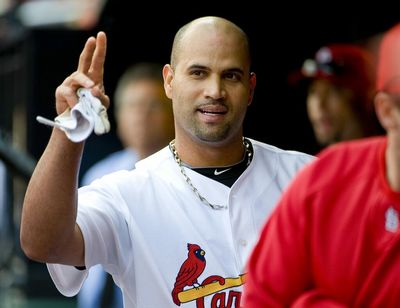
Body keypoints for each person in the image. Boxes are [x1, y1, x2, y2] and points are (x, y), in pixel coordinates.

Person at [20, 16, 314, 307]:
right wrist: (68, 133)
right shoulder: (127, 192)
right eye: (198, 73)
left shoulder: (308, 178)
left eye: (231, 75)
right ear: (169, 81)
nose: (215, 90)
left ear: (250, 88)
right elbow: (43, 243)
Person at [242, 23, 400, 307]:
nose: (319, 105)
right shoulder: (318, 177)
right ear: (386, 109)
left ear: (364, 97)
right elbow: (263, 296)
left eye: (334, 92)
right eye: (314, 92)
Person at [77, 62, 174, 308]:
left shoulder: (185, 177)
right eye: (132, 106)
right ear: (118, 117)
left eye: (152, 106)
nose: (141, 115)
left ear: (174, 114)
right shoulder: (99, 174)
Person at [290, 43, 383, 150]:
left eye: (332, 91)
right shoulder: (309, 164)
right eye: (313, 92)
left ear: (362, 95)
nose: (319, 104)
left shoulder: (390, 159)